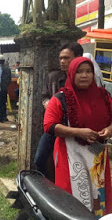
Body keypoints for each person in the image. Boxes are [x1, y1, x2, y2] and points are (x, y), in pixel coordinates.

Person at [44, 57, 112, 218]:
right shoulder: (61, 98)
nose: (84, 75)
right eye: (80, 72)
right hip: (71, 155)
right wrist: (78, 132)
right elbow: (49, 126)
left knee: (98, 195)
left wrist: (109, 130)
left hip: (97, 156)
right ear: (71, 74)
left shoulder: (103, 96)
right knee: (73, 194)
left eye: (88, 71)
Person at [35, 42, 84, 179]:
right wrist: (48, 104)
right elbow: (44, 96)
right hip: (55, 126)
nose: (62, 61)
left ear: (78, 58)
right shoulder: (53, 77)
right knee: (41, 159)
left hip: (77, 129)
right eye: (60, 58)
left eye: (66, 58)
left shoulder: (84, 78)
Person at [0, 54, 11, 122]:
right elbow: (9, 78)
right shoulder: (8, 68)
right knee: (3, 103)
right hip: (5, 88)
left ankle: (0, 118)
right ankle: (4, 117)